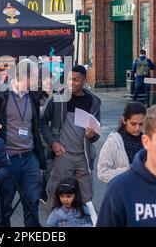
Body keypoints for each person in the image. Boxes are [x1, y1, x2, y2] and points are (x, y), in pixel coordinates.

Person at [0, 59, 46, 227]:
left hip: (30, 157)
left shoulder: (33, 95)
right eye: (35, 77)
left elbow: (37, 123)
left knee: (32, 201)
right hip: (8, 159)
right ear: (24, 76)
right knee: (4, 205)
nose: (37, 81)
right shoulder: (0, 95)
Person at [40, 65, 100, 209]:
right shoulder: (57, 98)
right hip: (62, 155)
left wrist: (93, 135)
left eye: (76, 80)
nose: (71, 82)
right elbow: (41, 122)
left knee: (87, 196)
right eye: (69, 79)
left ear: (85, 80)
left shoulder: (94, 102)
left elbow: (97, 132)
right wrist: (52, 143)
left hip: (84, 157)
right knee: (56, 193)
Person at [97, 102, 146, 183]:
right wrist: (128, 170)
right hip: (123, 192)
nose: (137, 128)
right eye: (133, 124)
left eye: (141, 124)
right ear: (124, 120)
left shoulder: (149, 140)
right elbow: (102, 173)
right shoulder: (114, 142)